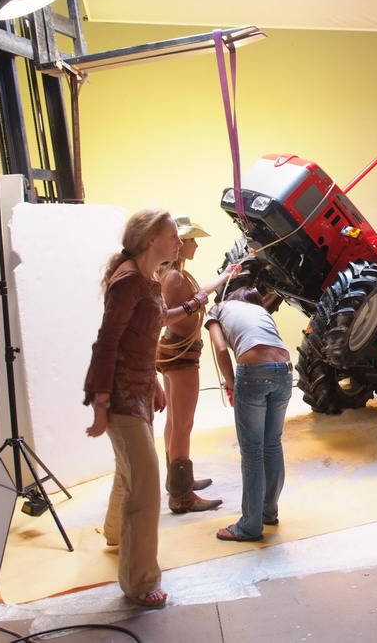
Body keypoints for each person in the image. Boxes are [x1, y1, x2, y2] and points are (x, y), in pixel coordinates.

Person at [83, 209, 239, 609]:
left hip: (137, 390)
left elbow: (148, 330)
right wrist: (100, 401)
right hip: (121, 396)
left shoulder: (148, 279)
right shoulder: (129, 281)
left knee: (129, 473)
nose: (180, 242)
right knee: (146, 490)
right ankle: (139, 582)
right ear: (151, 238)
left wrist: (152, 382)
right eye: (173, 235)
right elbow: (107, 343)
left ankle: (116, 536)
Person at [206, 286, 292, 542]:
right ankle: (268, 512)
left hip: (254, 372)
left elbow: (221, 349)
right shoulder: (260, 311)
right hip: (285, 369)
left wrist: (231, 384)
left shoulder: (217, 309)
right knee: (272, 444)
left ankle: (250, 526)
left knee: (252, 450)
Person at [157, 215, 221, 514]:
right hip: (181, 357)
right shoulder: (174, 277)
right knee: (183, 423)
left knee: (176, 420)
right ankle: (181, 495)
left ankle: (178, 480)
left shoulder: (175, 275)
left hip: (176, 354)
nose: (196, 244)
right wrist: (195, 304)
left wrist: (223, 277)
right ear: (180, 244)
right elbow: (169, 317)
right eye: (192, 239)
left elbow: (197, 295)